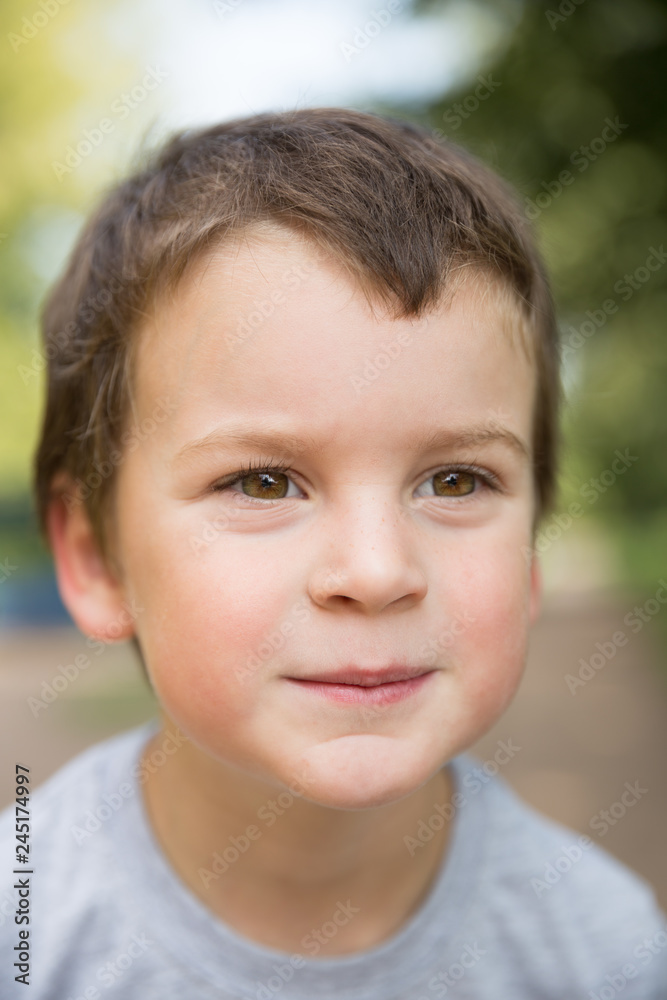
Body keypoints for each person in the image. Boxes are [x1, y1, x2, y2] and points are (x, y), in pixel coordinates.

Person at [1, 108, 665, 999]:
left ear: (531, 553)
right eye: (265, 483)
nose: (378, 572)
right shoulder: (26, 929)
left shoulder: (604, 950)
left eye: (457, 481)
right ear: (95, 559)